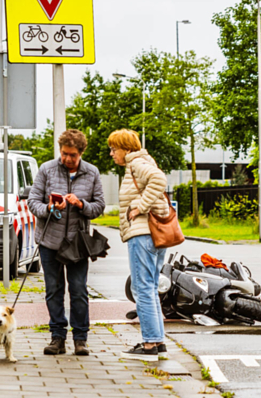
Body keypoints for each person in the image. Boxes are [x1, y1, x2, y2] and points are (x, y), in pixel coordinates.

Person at [28, 129, 105, 356]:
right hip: (49, 241)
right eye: (64, 154)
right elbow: (33, 201)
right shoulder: (47, 169)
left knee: (79, 290)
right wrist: (49, 208)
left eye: (72, 155)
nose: (67, 159)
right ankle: (57, 337)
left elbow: (99, 206)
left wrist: (82, 205)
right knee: (53, 290)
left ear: (81, 152)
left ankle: (80, 339)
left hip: (77, 243)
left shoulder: (92, 173)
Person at [112, 129, 170, 361]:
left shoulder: (136, 163)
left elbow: (159, 180)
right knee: (150, 287)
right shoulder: (143, 161)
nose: (111, 153)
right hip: (154, 234)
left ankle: (148, 346)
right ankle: (158, 341)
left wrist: (140, 207)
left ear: (126, 148)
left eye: (114, 149)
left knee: (142, 288)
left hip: (143, 234)